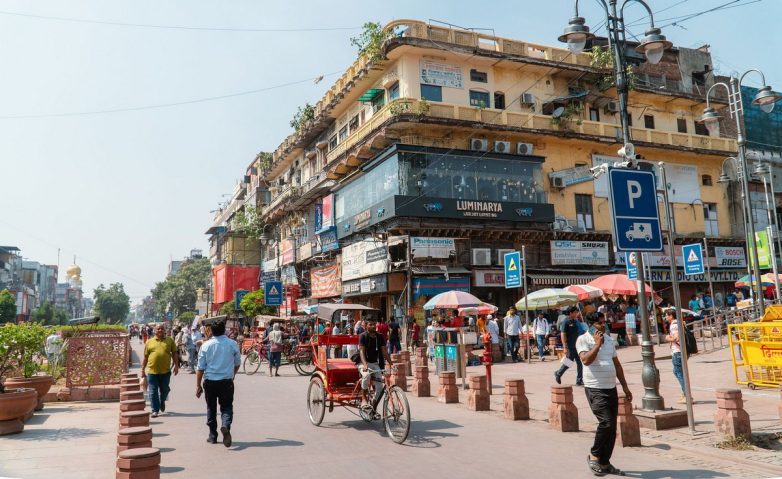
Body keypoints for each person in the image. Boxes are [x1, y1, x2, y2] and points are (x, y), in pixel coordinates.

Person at [577, 313, 632, 476]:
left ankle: (604, 462)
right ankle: (594, 455)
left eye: (604, 323)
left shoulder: (608, 340)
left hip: (610, 387)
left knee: (612, 427)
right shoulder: (583, 339)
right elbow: (586, 360)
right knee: (606, 423)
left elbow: (617, 365)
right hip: (595, 387)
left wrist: (625, 387)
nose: (603, 326)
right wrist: (597, 344)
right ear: (591, 325)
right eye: (600, 324)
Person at [196, 319, 241, 447]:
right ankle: (225, 425)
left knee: (211, 408)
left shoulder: (206, 345)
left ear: (211, 331)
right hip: (226, 381)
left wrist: (198, 385)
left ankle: (212, 435)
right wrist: (232, 375)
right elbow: (237, 363)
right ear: (224, 330)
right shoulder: (232, 344)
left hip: (210, 381)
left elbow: (200, 368)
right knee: (226, 407)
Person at [142, 324, 179, 418]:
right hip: (152, 371)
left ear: (165, 330)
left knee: (164, 389)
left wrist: (176, 366)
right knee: (153, 391)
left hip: (166, 371)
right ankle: (155, 410)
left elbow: (174, 353)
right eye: (158, 329)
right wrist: (142, 369)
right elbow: (145, 357)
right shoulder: (149, 342)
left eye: (162, 328)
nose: (160, 330)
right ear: (154, 330)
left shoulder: (169, 340)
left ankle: (162, 401)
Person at [358, 318, 394, 413]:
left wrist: (391, 363)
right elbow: (361, 351)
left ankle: (374, 403)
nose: (373, 326)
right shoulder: (363, 336)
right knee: (366, 376)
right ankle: (364, 399)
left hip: (375, 363)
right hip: (363, 363)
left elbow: (384, 352)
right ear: (366, 326)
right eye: (371, 324)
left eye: (374, 324)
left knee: (380, 386)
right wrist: (365, 364)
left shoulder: (380, 337)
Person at [664, 310, 689, 404]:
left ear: (671, 316)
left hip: (677, 352)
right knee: (677, 372)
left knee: (679, 373)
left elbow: (676, 338)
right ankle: (685, 393)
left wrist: (667, 338)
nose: (666, 317)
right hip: (681, 351)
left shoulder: (674, 325)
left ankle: (687, 395)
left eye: (666, 315)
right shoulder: (679, 323)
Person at [554, 307, 584, 386]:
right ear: (570, 313)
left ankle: (579, 380)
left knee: (580, 363)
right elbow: (563, 334)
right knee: (569, 362)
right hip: (569, 345)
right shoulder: (566, 322)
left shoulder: (575, 321)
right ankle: (558, 373)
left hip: (577, 345)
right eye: (575, 312)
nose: (576, 314)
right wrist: (564, 346)